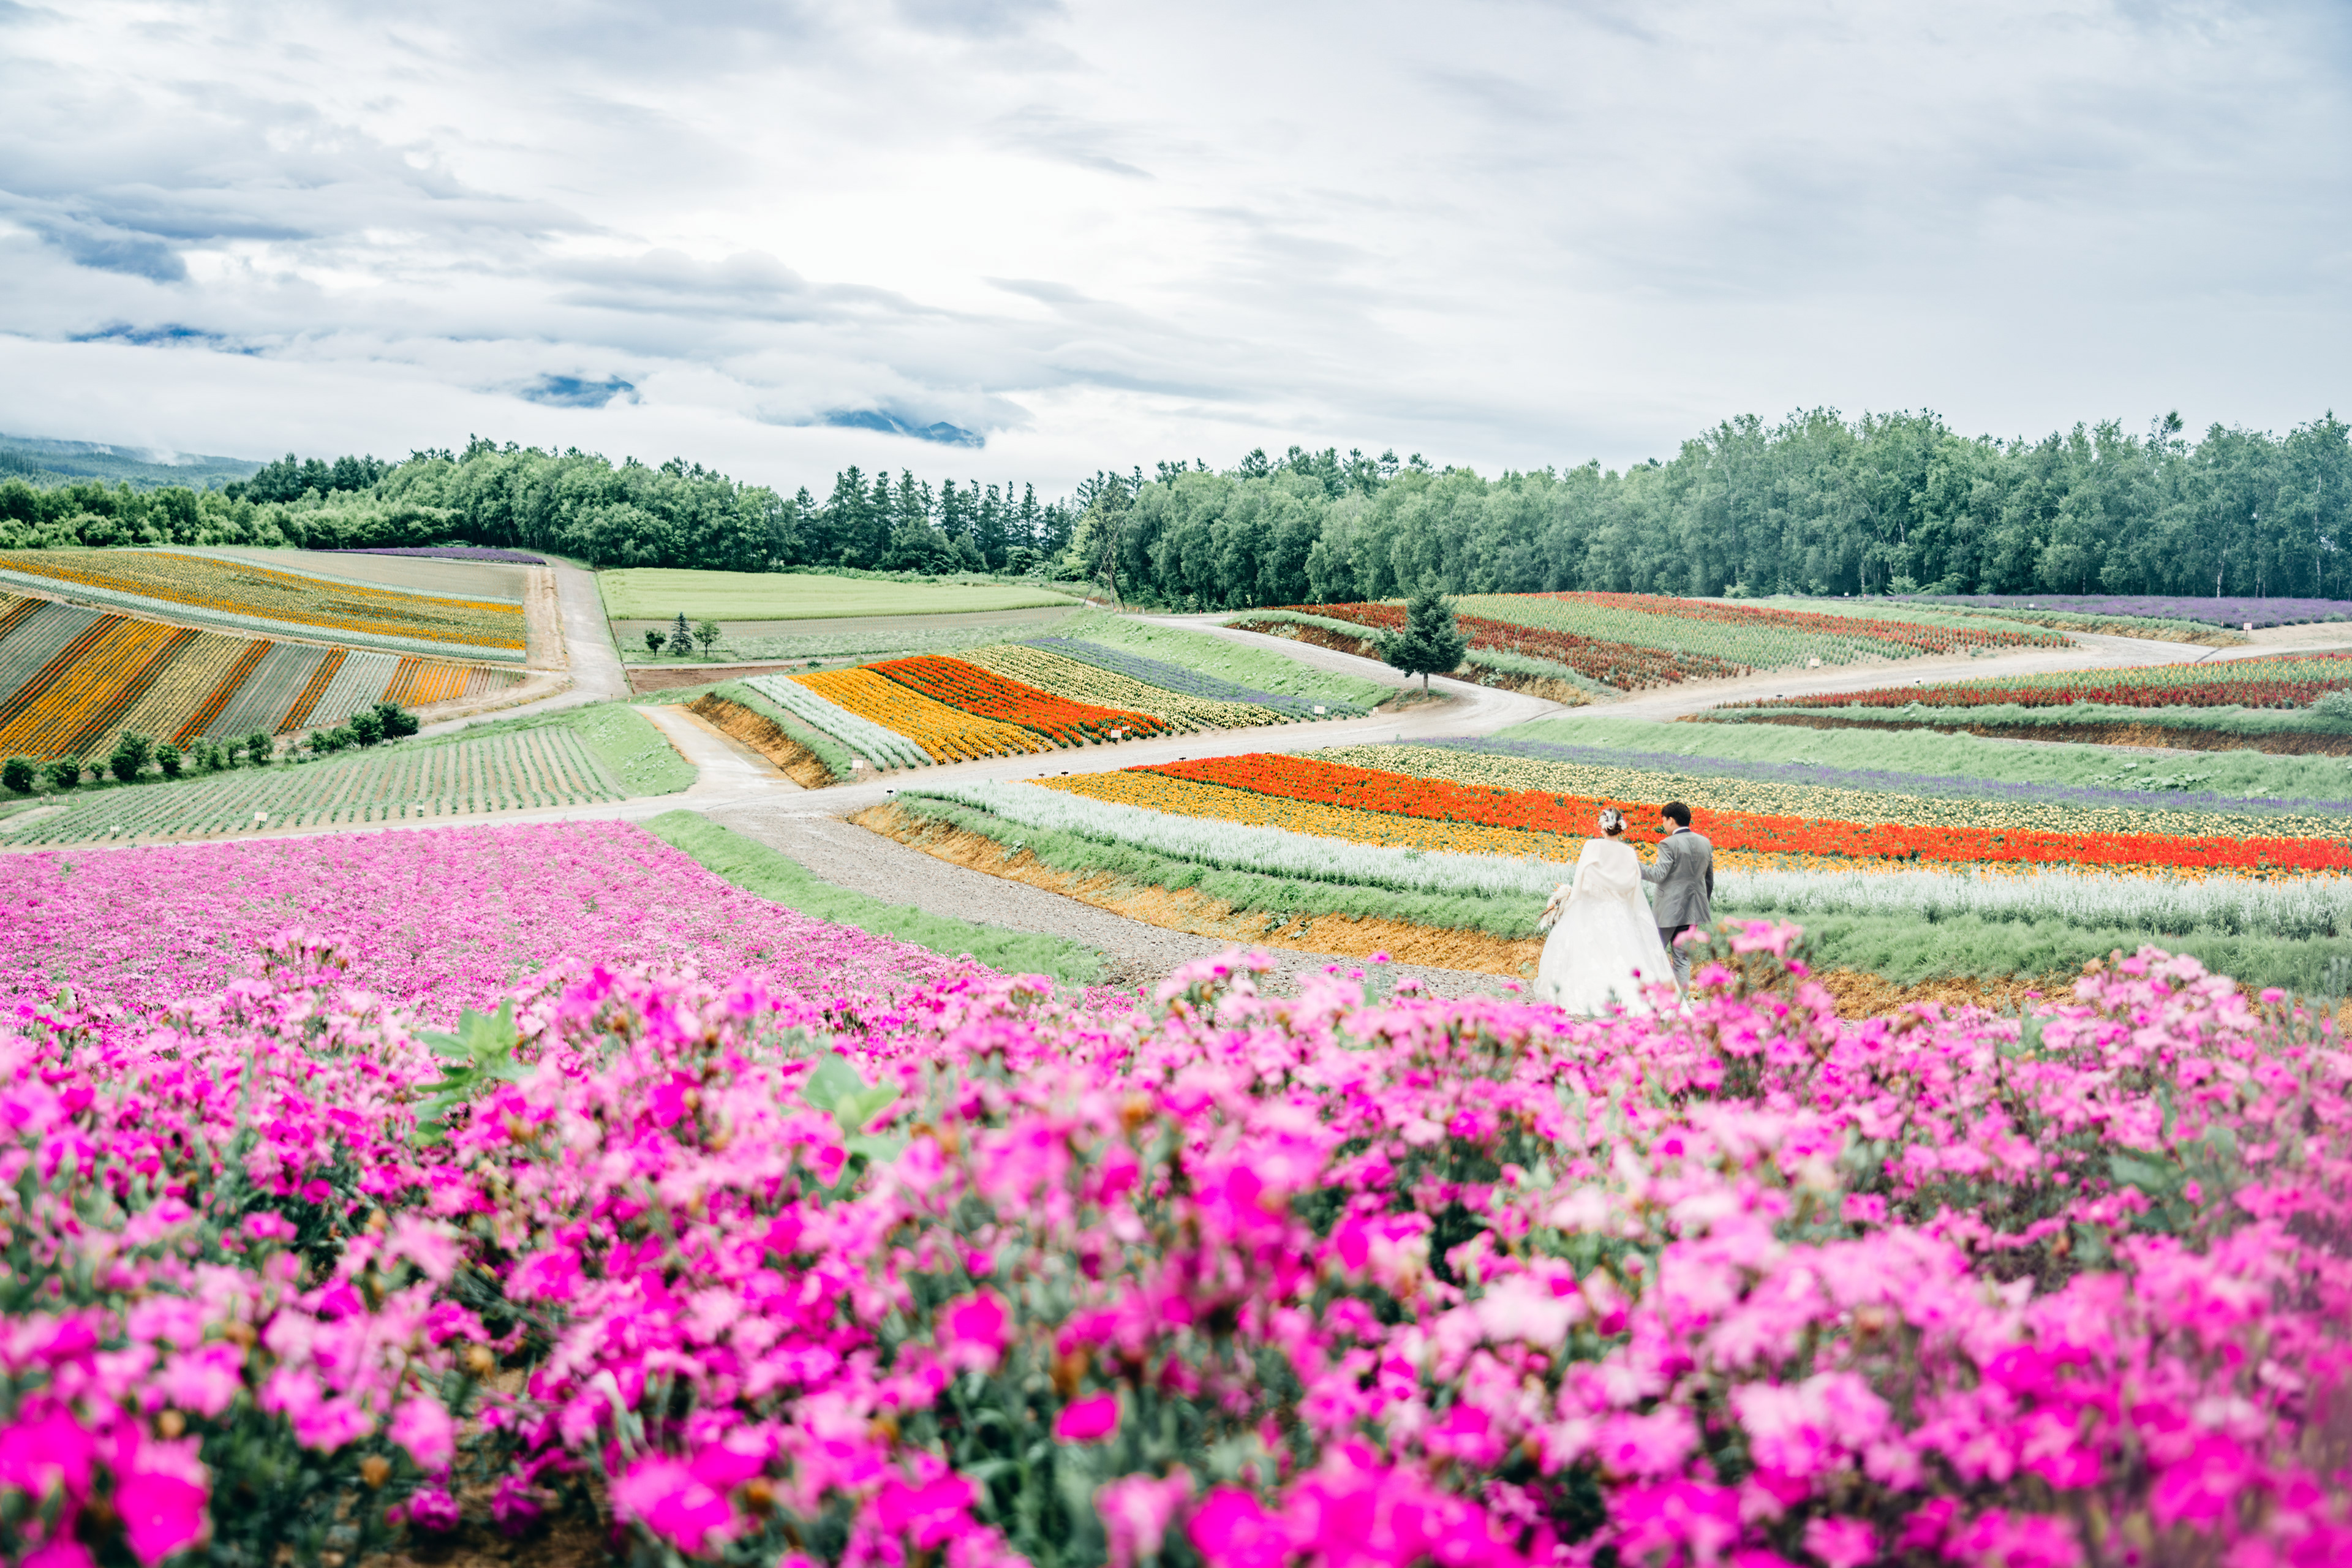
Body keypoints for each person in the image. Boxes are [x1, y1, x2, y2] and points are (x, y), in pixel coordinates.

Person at [1535, 808, 1675, 1015]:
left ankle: (1591, 994)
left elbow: (1581, 877)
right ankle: (1627, 996)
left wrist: (1573, 899)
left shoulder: (1592, 847)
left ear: (1602, 826)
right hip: (1619, 911)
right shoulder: (1629, 853)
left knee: (1588, 951)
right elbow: (1632, 885)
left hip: (1591, 908)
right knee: (1621, 953)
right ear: (1621, 828)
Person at [1642, 800, 1714, 989]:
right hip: (1694, 910)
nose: (1663, 824)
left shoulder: (1668, 844)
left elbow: (1658, 875)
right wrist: (1701, 905)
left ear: (1671, 820)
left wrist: (1634, 864)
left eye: (1663, 820)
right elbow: (1709, 881)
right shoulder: (1705, 843)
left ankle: (1649, 997)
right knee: (1682, 958)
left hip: (1668, 910)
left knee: (1653, 952)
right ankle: (1682, 1003)